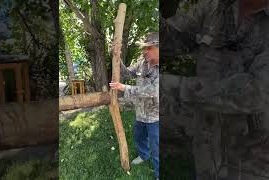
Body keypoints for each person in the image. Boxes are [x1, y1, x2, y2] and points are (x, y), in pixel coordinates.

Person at [160, 0, 269, 179]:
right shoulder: (214, 7)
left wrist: (178, 88)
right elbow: (173, 41)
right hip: (208, 150)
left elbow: (257, 92)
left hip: (255, 163)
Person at [109, 32, 159, 180]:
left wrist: (123, 88)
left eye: (148, 48)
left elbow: (152, 91)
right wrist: (117, 57)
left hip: (156, 116)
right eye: (144, 48)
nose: (144, 51)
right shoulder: (142, 62)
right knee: (139, 136)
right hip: (140, 112)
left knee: (157, 148)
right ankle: (144, 155)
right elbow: (127, 73)